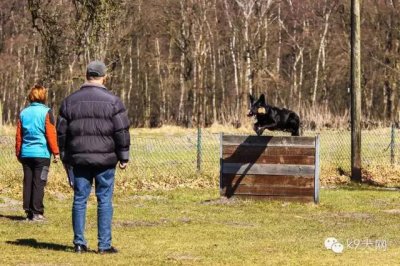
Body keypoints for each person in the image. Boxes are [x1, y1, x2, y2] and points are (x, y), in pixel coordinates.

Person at [56, 60, 130, 254]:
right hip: (105, 159)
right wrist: (124, 156)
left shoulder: (69, 101)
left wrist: (65, 157)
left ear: (86, 76)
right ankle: (104, 245)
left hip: (79, 159)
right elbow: (121, 131)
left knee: (80, 199)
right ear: (104, 77)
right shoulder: (113, 101)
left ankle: (79, 243)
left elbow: (61, 133)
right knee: (104, 200)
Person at [15, 85, 60, 221]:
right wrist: (56, 152)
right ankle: (37, 212)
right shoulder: (47, 112)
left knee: (27, 181)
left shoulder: (23, 113)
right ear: (43, 96)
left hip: (26, 153)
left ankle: (28, 211)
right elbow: (51, 134)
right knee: (39, 182)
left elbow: (19, 135)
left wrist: (18, 152)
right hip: (42, 154)